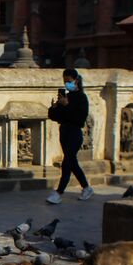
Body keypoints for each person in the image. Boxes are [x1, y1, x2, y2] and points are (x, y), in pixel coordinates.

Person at [46, 67, 93, 204]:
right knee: (72, 162)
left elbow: (79, 118)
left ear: (76, 81)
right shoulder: (66, 96)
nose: (67, 83)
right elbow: (55, 117)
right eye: (65, 81)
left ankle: (59, 192)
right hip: (64, 132)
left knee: (67, 162)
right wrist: (54, 107)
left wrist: (67, 106)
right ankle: (86, 187)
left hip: (74, 133)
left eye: (69, 81)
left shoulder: (81, 98)